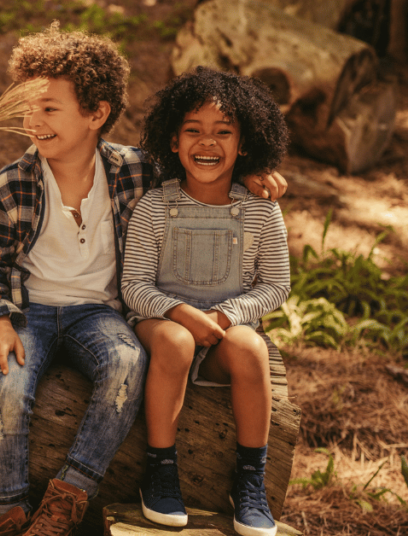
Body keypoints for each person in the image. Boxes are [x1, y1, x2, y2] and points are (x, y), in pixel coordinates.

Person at [0, 25, 288, 536]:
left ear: (96, 114)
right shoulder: (12, 184)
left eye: (49, 108)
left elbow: (201, 166)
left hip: (100, 313)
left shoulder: (135, 171)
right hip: (29, 312)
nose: (32, 120)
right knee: (3, 382)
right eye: (28, 108)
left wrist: (249, 176)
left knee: (127, 362)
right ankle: (7, 510)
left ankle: (67, 498)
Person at [120, 66, 291, 536]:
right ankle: (160, 469)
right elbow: (133, 285)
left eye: (223, 132)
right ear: (173, 142)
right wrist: (180, 312)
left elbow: (276, 285)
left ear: (245, 144)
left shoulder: (260, 209)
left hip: (223, 331)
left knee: (251, 348)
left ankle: (250, 480)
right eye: (193, 131)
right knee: (175, 341)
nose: (207, 142)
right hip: (162, 324)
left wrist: (224, 315)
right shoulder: (155, 206)